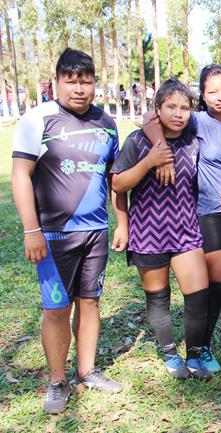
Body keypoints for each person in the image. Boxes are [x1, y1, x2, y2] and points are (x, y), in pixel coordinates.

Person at [11, 48, 125, 414]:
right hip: (54, 234)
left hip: (96, 232)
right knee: (57, 308)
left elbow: (114, 179)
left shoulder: (107, 122)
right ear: (57, 82)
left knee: (90, 302)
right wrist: (32, 230)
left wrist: (121, 221)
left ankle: (87, 370)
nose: (79, 89)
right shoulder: (38, 119)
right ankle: (58, 380)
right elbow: (20, 175)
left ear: (95, 83)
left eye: (86, 81)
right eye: (71, 81)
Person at [141, 65, 221, 373]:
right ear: (203, 95)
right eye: (212, 91)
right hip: (210, 212)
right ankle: (202, 346)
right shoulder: (196, 121)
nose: (220, 97)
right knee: (217, 283)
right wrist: (161, 147)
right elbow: (151, 118)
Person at [111, 78, 212, 381]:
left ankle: (194, 355)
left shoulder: (193, 139)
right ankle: (170, 353)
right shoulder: (138, 141)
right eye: (171, 107)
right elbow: (117, 184)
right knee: (159, 298)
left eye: (184, 108)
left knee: (198, 296)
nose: (178, 114)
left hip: (185, 232)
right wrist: (151, 161)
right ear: (157, 109)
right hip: (147, 234)